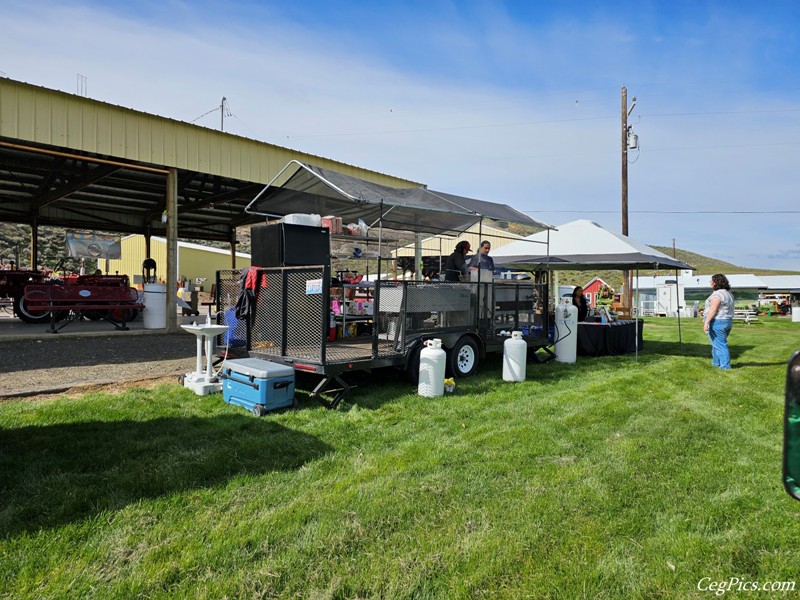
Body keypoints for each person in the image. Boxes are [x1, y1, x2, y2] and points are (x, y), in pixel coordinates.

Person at [704, 273, 735, 369]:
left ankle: (725, 366)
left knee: (720, 345)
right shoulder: (728, 293)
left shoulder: (718, 294)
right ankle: (716, 363)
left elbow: (713, 309)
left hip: (718, 321)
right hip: (727, 321)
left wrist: (706, 322)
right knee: (716, 344)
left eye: (711, 281)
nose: (710, 282)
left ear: (715, 282)